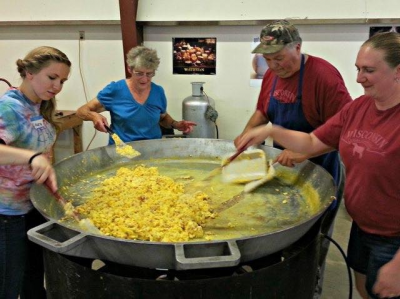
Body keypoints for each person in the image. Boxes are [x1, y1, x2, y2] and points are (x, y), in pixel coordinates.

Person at [236, 31, 400, 299]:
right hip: (363, 226)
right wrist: (269, 131)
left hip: (395, 237)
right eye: (358, 69)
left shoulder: (324, 77)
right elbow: (312, 142)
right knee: (365, 289)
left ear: (398, 71)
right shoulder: (358, 108)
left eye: (369, 70)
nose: (359, 78)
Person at [234, 20, 352, 297]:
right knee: (277, 224)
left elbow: (345, 129)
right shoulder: (271, 76)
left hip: (320, 168)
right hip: (282, 167)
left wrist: (306, 152)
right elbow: (263, 111)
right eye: (267, 59)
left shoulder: (324, 76)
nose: (274, 66)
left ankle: (311, 282)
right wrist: (245, 136)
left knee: (312, 236)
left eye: (279, 58)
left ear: (297, 47)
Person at [0, 46, 71, 299]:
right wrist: (31, 157)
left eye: (62, 81)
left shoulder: (38, 105)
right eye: (52, 77)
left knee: (33, 278)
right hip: (7, 215)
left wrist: (85, 114)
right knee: (8, 284)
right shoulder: (9, 107)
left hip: (32, 206)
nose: (57, 86)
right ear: (29, 73)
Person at [76, 46, 196, 144]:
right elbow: (81, 111)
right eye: (139, 73)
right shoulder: (115, 90)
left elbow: (162, 118)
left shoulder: (158, 92)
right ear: (130, 69)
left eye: (149, 74)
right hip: (122, 150)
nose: (144, 79)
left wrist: (176, 124)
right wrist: (93, 116)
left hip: (153, 149)